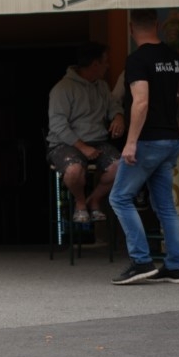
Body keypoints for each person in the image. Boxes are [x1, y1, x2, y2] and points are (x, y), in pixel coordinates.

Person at [108, 9, 179, 285]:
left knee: (119, 198)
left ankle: (141, 261)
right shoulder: (173, 55)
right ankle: (175, 266)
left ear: (131, 28)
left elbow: (141, 101)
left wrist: (131, 142)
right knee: (166, 206)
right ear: (157, 25)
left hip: (147, 140)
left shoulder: (137, 59)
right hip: (170, 140)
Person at [45, 42, 125, 224]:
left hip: (98, 141)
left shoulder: (102, 86)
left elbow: (113, 105)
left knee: (121, 168)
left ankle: (94, 200)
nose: (108, 65)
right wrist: (83, 147)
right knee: (73, 170)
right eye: (105, 61)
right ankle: (80, 202)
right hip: (65, 143)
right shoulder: (62, 89)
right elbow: (58, 124)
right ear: (95, 64)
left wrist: (119, 116)